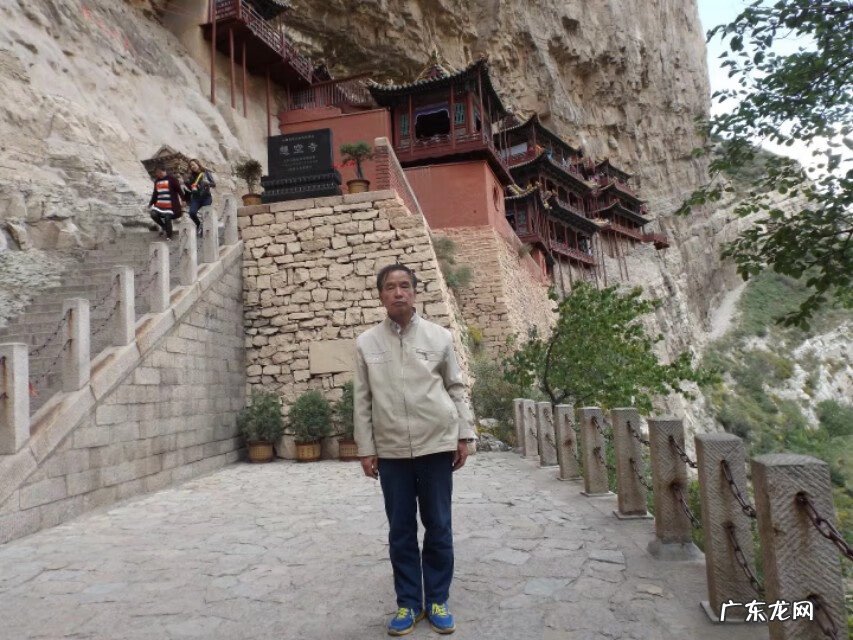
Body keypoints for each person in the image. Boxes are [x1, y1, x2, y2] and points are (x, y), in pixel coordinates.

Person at [354, 263, 476, 636]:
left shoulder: (439, 337)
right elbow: (362, 400)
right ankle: (408, 603)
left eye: (404, 285)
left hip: (436, 443)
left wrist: (464, 434)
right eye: (390, 287)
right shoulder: (366, 343)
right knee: (401, 530)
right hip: (391, 451)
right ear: (381, 296)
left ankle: (437, 599)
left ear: (415, 292)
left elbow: (455, 387)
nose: (398, 292)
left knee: (438, 525)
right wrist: (365, 447)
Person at [148, 164, 183, 240]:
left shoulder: (172, 179)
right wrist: (151, 204)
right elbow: (155, 194)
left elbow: (179, 190)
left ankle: (169, 236)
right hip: (160, 205)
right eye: (157, 173)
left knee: (167, 217)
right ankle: (163, 226)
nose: (158, 174)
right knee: (153, 214)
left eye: (160, 172)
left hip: (170, 206)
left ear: (164, 171)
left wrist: (184, 200)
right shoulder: (157, 181)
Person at [184, 159, 215, 237]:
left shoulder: (206, 172)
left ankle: (207, 230)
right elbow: (190, 189)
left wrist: (208, 183)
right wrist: (187, 183)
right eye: (191, 166)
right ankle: (199, 225)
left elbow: (214, 184)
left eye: (193, 164)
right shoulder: (191, 176)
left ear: (198, 164)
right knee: (192, 213)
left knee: (206, 214)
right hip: (196, 198)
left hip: (206, 197)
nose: (192, 167)